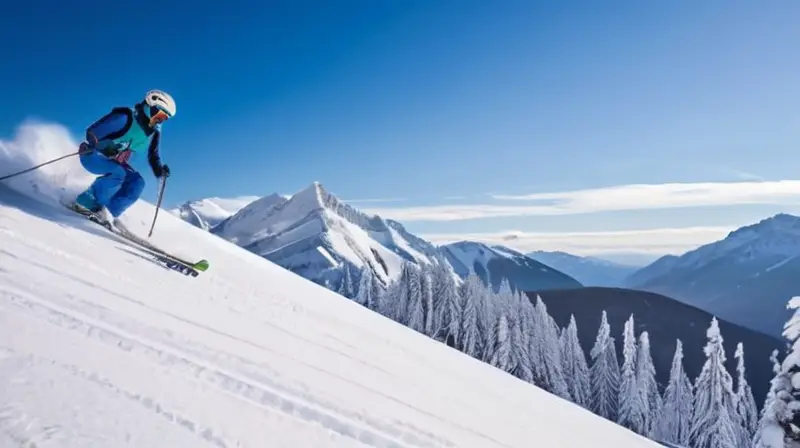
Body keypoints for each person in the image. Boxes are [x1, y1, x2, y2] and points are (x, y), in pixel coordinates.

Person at [73, 90, 176, 228]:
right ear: (151, 104)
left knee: (137, 182)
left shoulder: (152, 132)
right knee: (119, 173)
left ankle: (108, 213)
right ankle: (85, 203)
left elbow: (153, 155)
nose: (159, 120)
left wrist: (160, 171)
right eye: (160, 114)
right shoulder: (125, 117)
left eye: (164, 118)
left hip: (111, 161)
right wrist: (102, 144)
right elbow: (92, 132)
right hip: (92, 154)